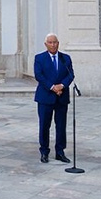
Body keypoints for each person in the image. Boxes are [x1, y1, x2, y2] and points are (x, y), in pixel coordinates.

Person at [33, 33, 74, 164]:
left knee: (61, 126)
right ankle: (44, 152)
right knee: (44, 125)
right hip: (45, 97)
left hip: (62, 97)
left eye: (55, 42)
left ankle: (60, 152)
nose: (53, 45)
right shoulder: (39, 58)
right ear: (46, 44)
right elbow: (39, 75)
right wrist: (52, 87)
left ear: (58, 43)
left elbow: (70, 74)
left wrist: (61, 86)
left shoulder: (65, 58)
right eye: (50, 42)